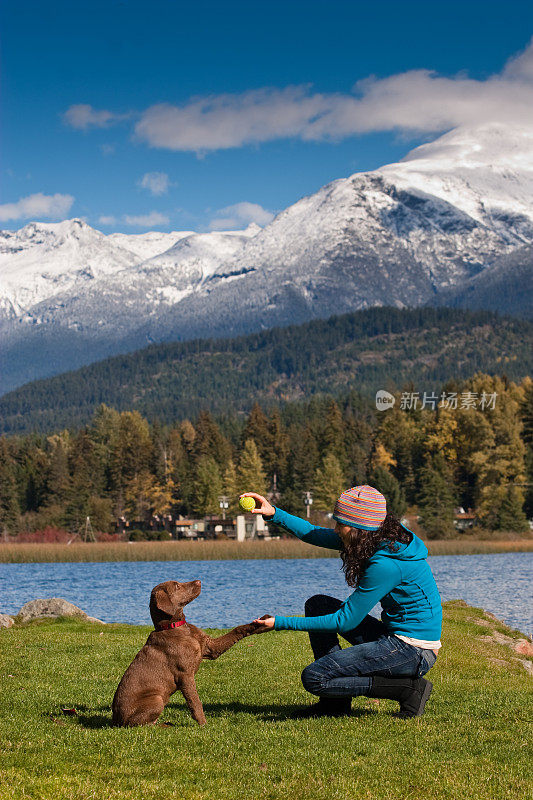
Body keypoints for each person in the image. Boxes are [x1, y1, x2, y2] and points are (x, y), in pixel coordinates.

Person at [243, 485, 442, 718]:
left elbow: (345, 621)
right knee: (317, 604)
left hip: (413, 651)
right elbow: (313, 532)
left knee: (314, 678)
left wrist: (280, 623)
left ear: (360, 527)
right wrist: (273, 513)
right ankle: (334, 705)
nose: (336, 529)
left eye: (341, 524)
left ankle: (408, 690)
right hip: (395, 637)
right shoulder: (374, 538)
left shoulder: (387, 564)